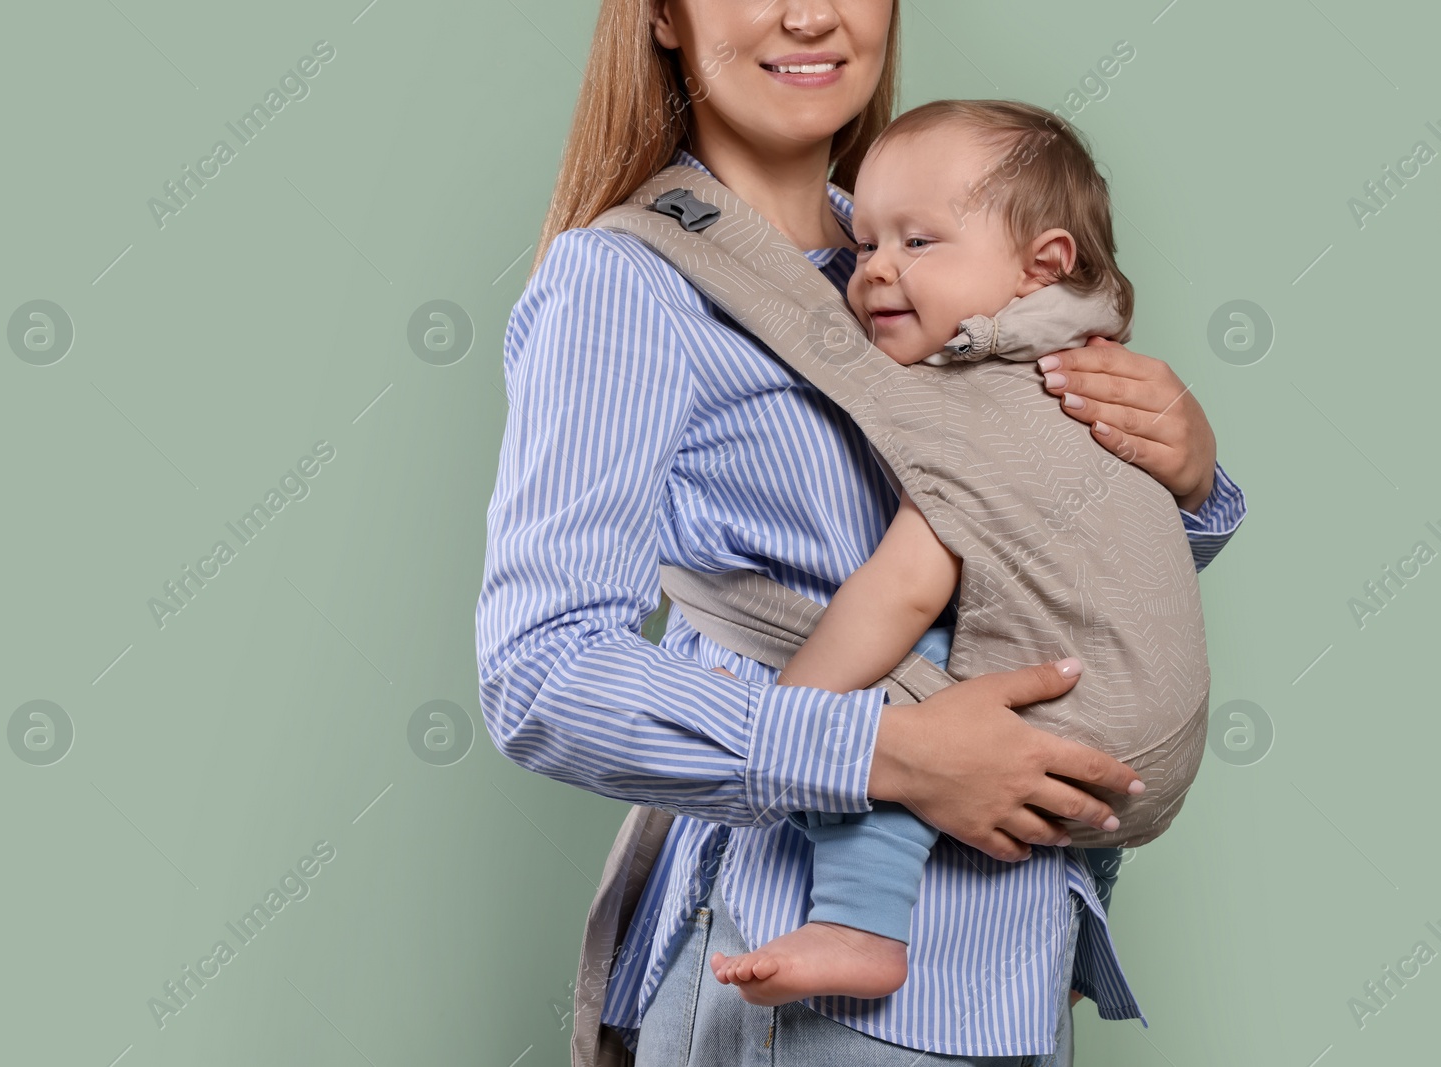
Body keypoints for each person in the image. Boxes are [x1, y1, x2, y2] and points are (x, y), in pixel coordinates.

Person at [474, 1, 1247, 1062]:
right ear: (660, 14)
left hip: (1016, 961)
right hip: (807, 980)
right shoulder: (628, 283)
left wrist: (1186, 475)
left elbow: (1032, 574)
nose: (810, 14)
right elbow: (539, 675)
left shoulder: (954, 235)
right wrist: (886, 753)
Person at [703, 97, 1210, 1009]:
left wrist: (798, 720)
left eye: (917, 244)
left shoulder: (971, 401)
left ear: (1040, 266)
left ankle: (858, 926)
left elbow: (901, 586)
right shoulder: (1084, 360)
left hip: (1076, 730)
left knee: (902, 682)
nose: (874, 273)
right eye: (862, 248)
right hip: (1149, 745)